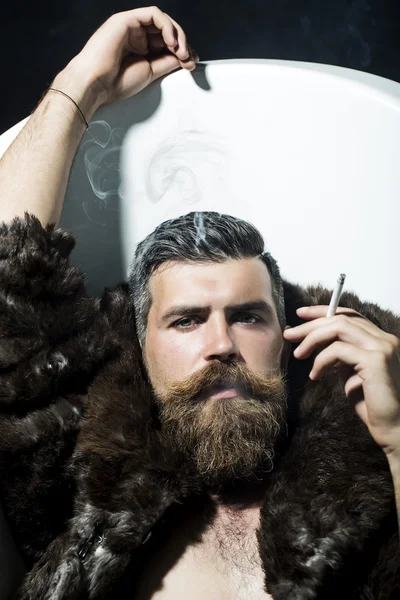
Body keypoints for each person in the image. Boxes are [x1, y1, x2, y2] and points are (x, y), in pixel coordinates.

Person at [0, 7, 399, 599]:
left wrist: (395, 440)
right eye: (186, 320)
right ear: (140, 347)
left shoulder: (368, 484)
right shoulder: (84, 490)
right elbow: (9, 278)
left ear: (292, 334)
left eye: (248, 316)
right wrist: (81, 85)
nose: (221, 347)